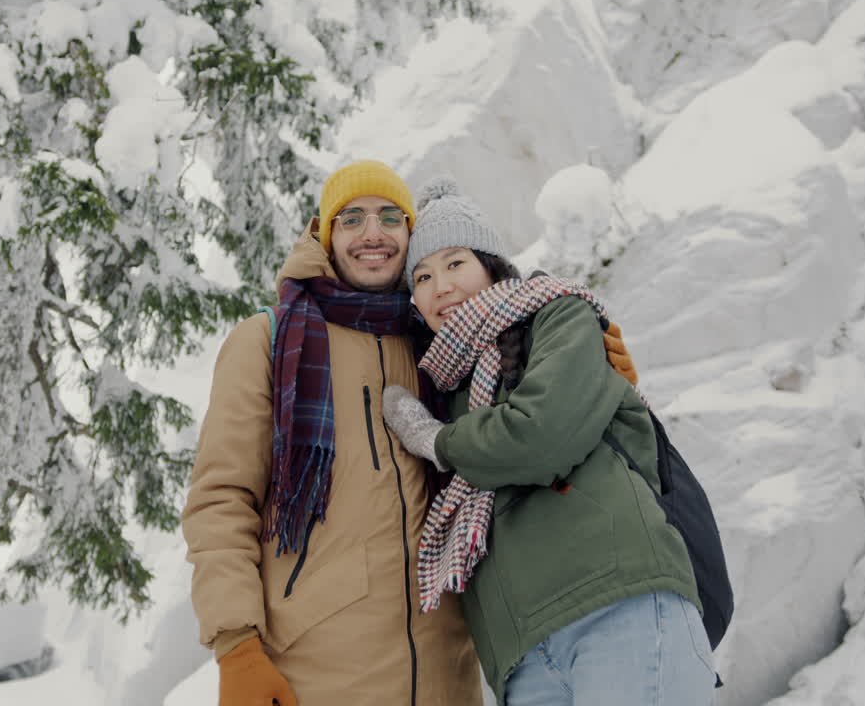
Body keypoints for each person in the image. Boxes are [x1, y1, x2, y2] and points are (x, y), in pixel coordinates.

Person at [182, 161, 637, 706]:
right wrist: (236, 645)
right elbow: (222, 500)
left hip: (448, 667)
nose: (372, 233)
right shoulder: (269, 341)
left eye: (390, 217)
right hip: (317, 673)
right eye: (351, 218)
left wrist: (603, 380)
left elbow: (522, 429)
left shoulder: (439, 341)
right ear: (325, 235)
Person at [381, 177, 716, 706]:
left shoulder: (557, 314)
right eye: (421, 276)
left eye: (455, 263)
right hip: (524, 659)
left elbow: (540, 435)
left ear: (491, 264)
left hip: (619, 605)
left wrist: (436, 441)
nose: (439, 285)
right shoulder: (446, 386)